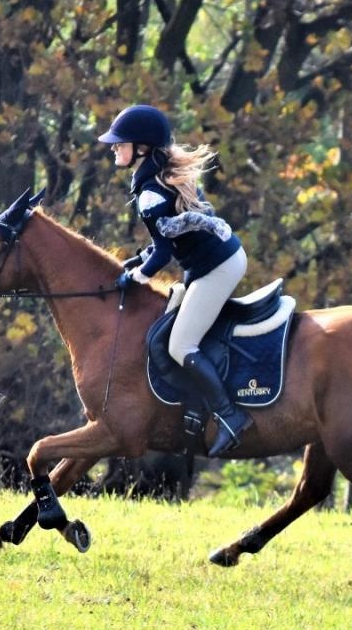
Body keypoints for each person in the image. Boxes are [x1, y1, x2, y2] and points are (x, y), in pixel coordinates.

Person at [97, 104, 253, 456]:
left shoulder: (151, 191)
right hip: (206, 264)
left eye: (120, 142)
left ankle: (229, 416)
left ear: (142, 148)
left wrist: (138, 276)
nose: (113, 148)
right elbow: (162, 242)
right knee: (161, 335)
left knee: (181, 345)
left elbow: (164, 253)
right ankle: (195, 405)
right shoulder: (153, 178)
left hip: (219, 265)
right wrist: (138, 261)